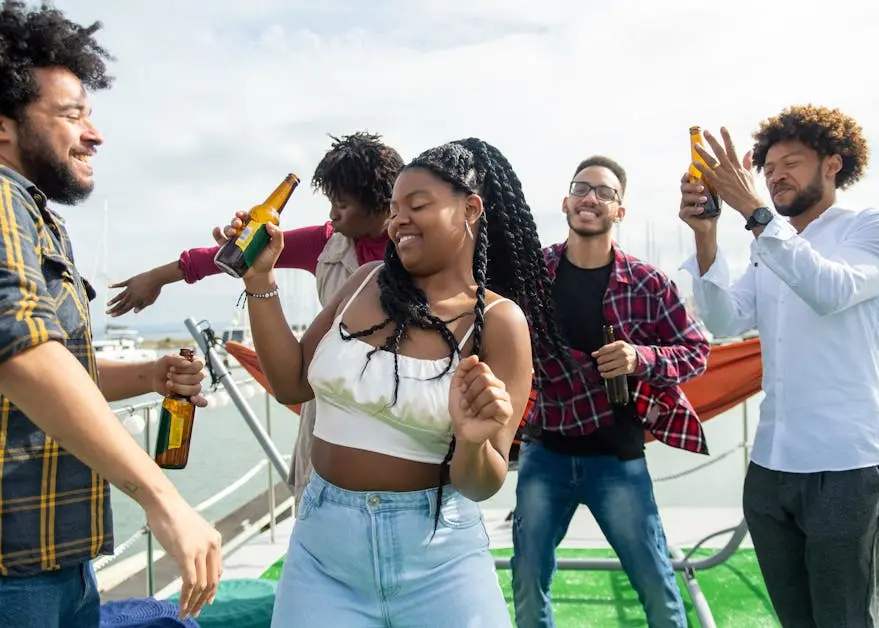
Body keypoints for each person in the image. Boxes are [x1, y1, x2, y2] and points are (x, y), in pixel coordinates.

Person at [240, 137, 569, 626]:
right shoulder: (363, 282)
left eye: (418, 205)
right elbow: (290, 384)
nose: (398, 221)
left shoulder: (500, 322)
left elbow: (480, 485)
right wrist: (258, 280)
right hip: (322, 551)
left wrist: (475, 444)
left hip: (439, 559)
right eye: (394, 209)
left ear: (471, 209)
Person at [0, 2, 222, 625]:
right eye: (73, 115)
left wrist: (147, 376)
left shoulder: (34, 215)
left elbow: (56, 366)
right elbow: (24, 355)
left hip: (54, 560)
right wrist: (162, 498)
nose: (94, 134)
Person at [678, 106, 879, 627]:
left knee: (846, 620)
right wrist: (706, 235)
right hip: (772, 468)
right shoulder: (770, 246)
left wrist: (754, 212)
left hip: (847, 466)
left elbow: (829, 290)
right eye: (769, 167)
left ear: (833, 165)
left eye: (792, 163)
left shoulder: (872, 228)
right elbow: (724, 319)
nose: (776, 175)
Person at [108, 132, 403, 503]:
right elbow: (231, 255)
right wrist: (156, 278)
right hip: (332, 416)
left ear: (380, 203)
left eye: (341, 205)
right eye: (330, 203)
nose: (332, 215)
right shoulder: (324, 243)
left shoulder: (421, 246)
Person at [510, 156, 710, 628]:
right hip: (545, 452)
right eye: (582, 188)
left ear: (620, 211)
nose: (591, 198)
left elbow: (697, 353)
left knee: (656, 584)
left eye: (605, 193)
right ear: (565, 201)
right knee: (526, 580)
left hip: (618, 458)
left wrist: (640, 358)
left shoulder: (648, 283)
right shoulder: (532, 276)